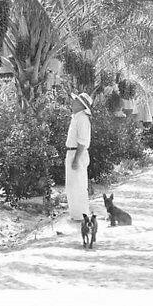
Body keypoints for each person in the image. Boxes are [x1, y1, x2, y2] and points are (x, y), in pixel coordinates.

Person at [65, 92, 93, 221]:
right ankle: (76, 214)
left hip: (77, 154)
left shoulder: (82, 118)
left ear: (81, 105)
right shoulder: (76, 117)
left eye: (76, 100)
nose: (73, 102)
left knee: (78, 185)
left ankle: (82, 215)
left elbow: (83, 141)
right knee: (72, 185)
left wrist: (76, 159)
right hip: (72, 152)